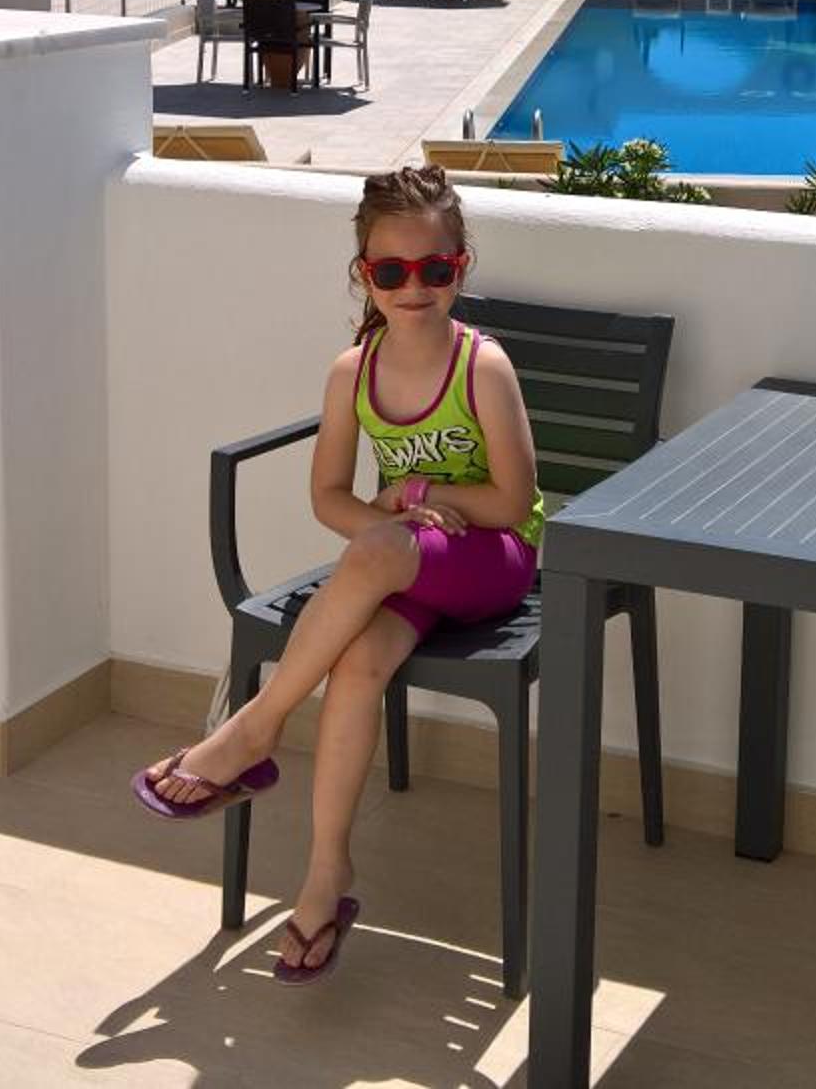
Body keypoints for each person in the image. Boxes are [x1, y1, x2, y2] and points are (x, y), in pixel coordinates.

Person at [132, 166, 543, 984]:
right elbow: (329, 498)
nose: (414, 287)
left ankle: (253, 729)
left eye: (435, 268)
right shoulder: (352, 372)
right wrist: (389, 529)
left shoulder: (482, 367)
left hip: (496, 564)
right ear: (364, 273)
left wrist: (413, 497)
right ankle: (327, 878)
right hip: (411, 566)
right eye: (392, 270)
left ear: (461, 267)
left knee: (379, 548)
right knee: (356, 664)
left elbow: (512, 501)